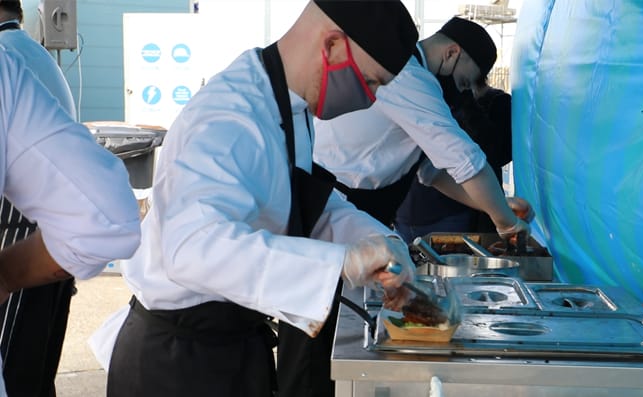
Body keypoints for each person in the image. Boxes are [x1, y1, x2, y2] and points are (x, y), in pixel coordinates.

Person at [103, 2, 419, 397]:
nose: (370, 100)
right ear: (333, 46)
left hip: (231, 344)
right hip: (180, 362)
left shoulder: (287, 105)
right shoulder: (231, 117)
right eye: (371, 82)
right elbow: (191, 248)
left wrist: (378, 240)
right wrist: (339, 262)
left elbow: (306, 204)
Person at [0, 2, 141, 397]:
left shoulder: (8, 56)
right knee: (35, 368)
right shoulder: (27, 55)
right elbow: (102, 214)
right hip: (50, 244)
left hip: (25, 236)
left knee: (22, 368)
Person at [313, 16, 531, 238]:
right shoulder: (408, 76)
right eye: (463, 83)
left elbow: (433, 174)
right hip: (333, 204)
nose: (461, 93)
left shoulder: (404, 70)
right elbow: (465, 160)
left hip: (353, 204)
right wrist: (506, 223)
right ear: (451, 53)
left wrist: (497, 204)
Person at [394, 82, 513, 242]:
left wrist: (499, 208)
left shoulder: (494, 102)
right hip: (402, 213)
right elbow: (429, 170)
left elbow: (439, 170)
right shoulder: (416, 92)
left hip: (448, 213)